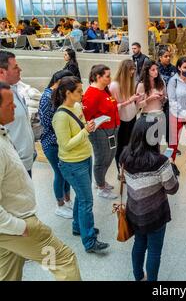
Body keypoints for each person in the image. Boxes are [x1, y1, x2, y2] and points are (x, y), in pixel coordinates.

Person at [0, 81, 81, 280]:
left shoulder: (3, 134)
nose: (15, 108)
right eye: (10, 104)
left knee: (7, 273)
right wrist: (20, 227)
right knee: (63, 260)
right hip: (16, 225)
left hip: (10, 227)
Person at [52, 76, 109, 253]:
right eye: (78, 91)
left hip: (85, 157)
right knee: (86, 200)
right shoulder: (60, 116)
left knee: (82, 197)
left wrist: (88, 126)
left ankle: (79, 227)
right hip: (72, 164)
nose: (82, 94)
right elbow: (66, 144)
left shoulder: (77, 107)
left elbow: (82, 127)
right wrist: (85, 131)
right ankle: (90, 241)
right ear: (67, 93)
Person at [120, 116, 179, 281]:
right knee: (154, 251)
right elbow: (172, 188)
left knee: (139, 244)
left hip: (134, 211)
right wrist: (171, 165)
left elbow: (123, 178)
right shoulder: (161, 162)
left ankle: (138, 276)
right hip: (155, 215)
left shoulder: (125, 154)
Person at [38, 70, 74, 219]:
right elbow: (48, 123)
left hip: (62, 141)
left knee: (66, 173)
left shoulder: (57, 95)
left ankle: (67, 199)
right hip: (52, 143)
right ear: (59, 82)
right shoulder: (47, 98)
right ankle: (59, 205)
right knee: (59, 173)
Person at [82, 65, 120, 199]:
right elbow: (87, 117)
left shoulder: (105, 90)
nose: (110, 78)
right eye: (107, 76)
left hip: (111, 129)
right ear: (98, 77)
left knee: (109, 156)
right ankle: (100, 187)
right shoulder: (92, 94)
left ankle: (101, 180)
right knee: (101, 159)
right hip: (101, 132)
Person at [0, 51, 35, 176]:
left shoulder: (14, 90)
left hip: (25, 161)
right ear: (1, 72)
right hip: (13, 166)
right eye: (15, 67)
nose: (20, 69)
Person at [109, 59, 141, 174]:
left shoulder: (129, 83)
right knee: (121, 146)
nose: (132, 73)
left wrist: (137, 99)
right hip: (121, 120)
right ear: (124, 70)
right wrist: (129, 101)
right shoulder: (114, 86)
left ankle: (128, 166)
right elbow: (114, 107)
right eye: (130, 70)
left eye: (133, 70)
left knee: (130, 144)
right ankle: (120, 170)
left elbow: (130, 101)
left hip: (132, 117)